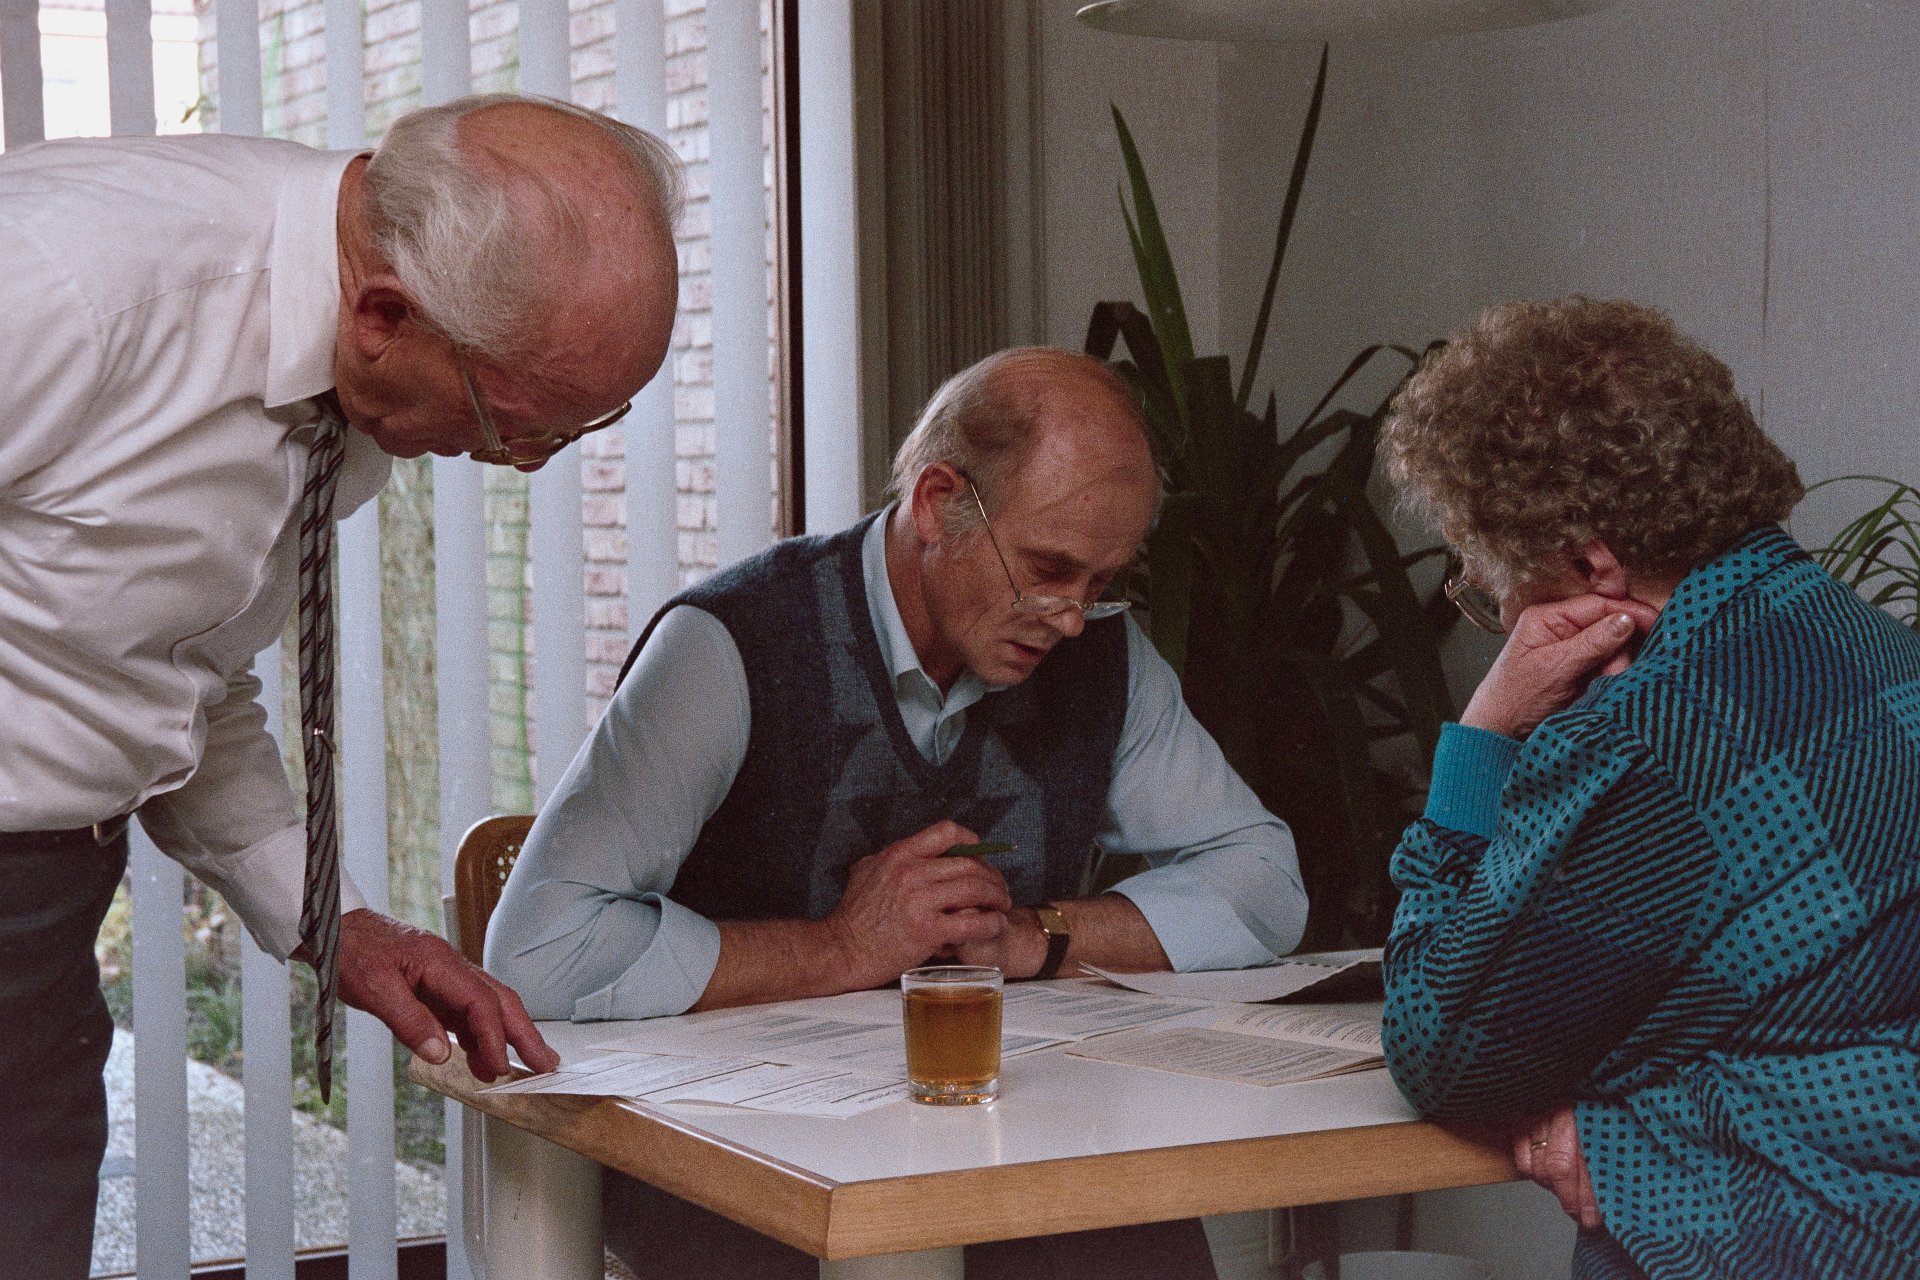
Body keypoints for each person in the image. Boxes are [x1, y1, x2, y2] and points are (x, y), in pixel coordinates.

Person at [0, 93, 681, 1277]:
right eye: (513, 425)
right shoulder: (70, 281)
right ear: (384, 316)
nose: (519, 466)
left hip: (43, 916)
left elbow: (178, 671)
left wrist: (340, 922)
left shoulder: (351, 381)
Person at [488, 346, 1308, 1279]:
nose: (1073, 618)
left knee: (1147, 1246)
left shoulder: (1103, 659)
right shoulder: (728, 647)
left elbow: (1264, 882)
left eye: (1101, 581)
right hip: (741, 1162)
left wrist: (1039, 937)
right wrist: (840, 949)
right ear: (937, 503)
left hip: (1009, 1144)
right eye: (1048, 568)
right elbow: (539, 951)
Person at [1375, 297, 1920, 1280]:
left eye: (1495, 587)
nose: (1504, 615)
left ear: (1592, 565)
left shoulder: (1644, 744)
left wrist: (1482, 735)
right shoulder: (1891, 655)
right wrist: (1658, 1105)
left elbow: (1440, 1051)